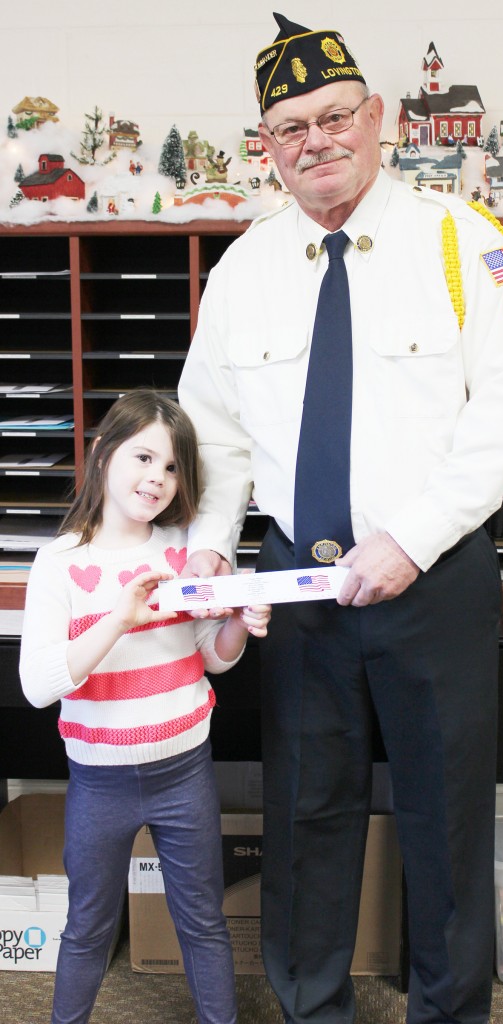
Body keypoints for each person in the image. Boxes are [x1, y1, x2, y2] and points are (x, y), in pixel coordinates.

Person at [178, 13, 503, 1024]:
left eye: (333, 115)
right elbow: (213, 441)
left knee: (442, 817)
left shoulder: (462, 241)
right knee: (303, 814)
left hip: (432, 577)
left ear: (375, 117)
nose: (315, 140)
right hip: (297, 579)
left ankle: (447, 1010)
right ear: (265, 145)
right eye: (288, 126)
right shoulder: (243, 270)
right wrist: (212, 566)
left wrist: (412, 536)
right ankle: (311, 1006)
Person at [19, 389, 271, 1024]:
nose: (157, 479)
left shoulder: (184, 550)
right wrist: (119, 617)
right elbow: (38, 684)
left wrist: (239, 623)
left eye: (172, 466)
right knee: (88, 927)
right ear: (103, 453)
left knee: (203, 921)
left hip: (184, 772)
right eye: (143, 458)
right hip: (98, 783)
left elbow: (210, 657)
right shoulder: (58, 563)